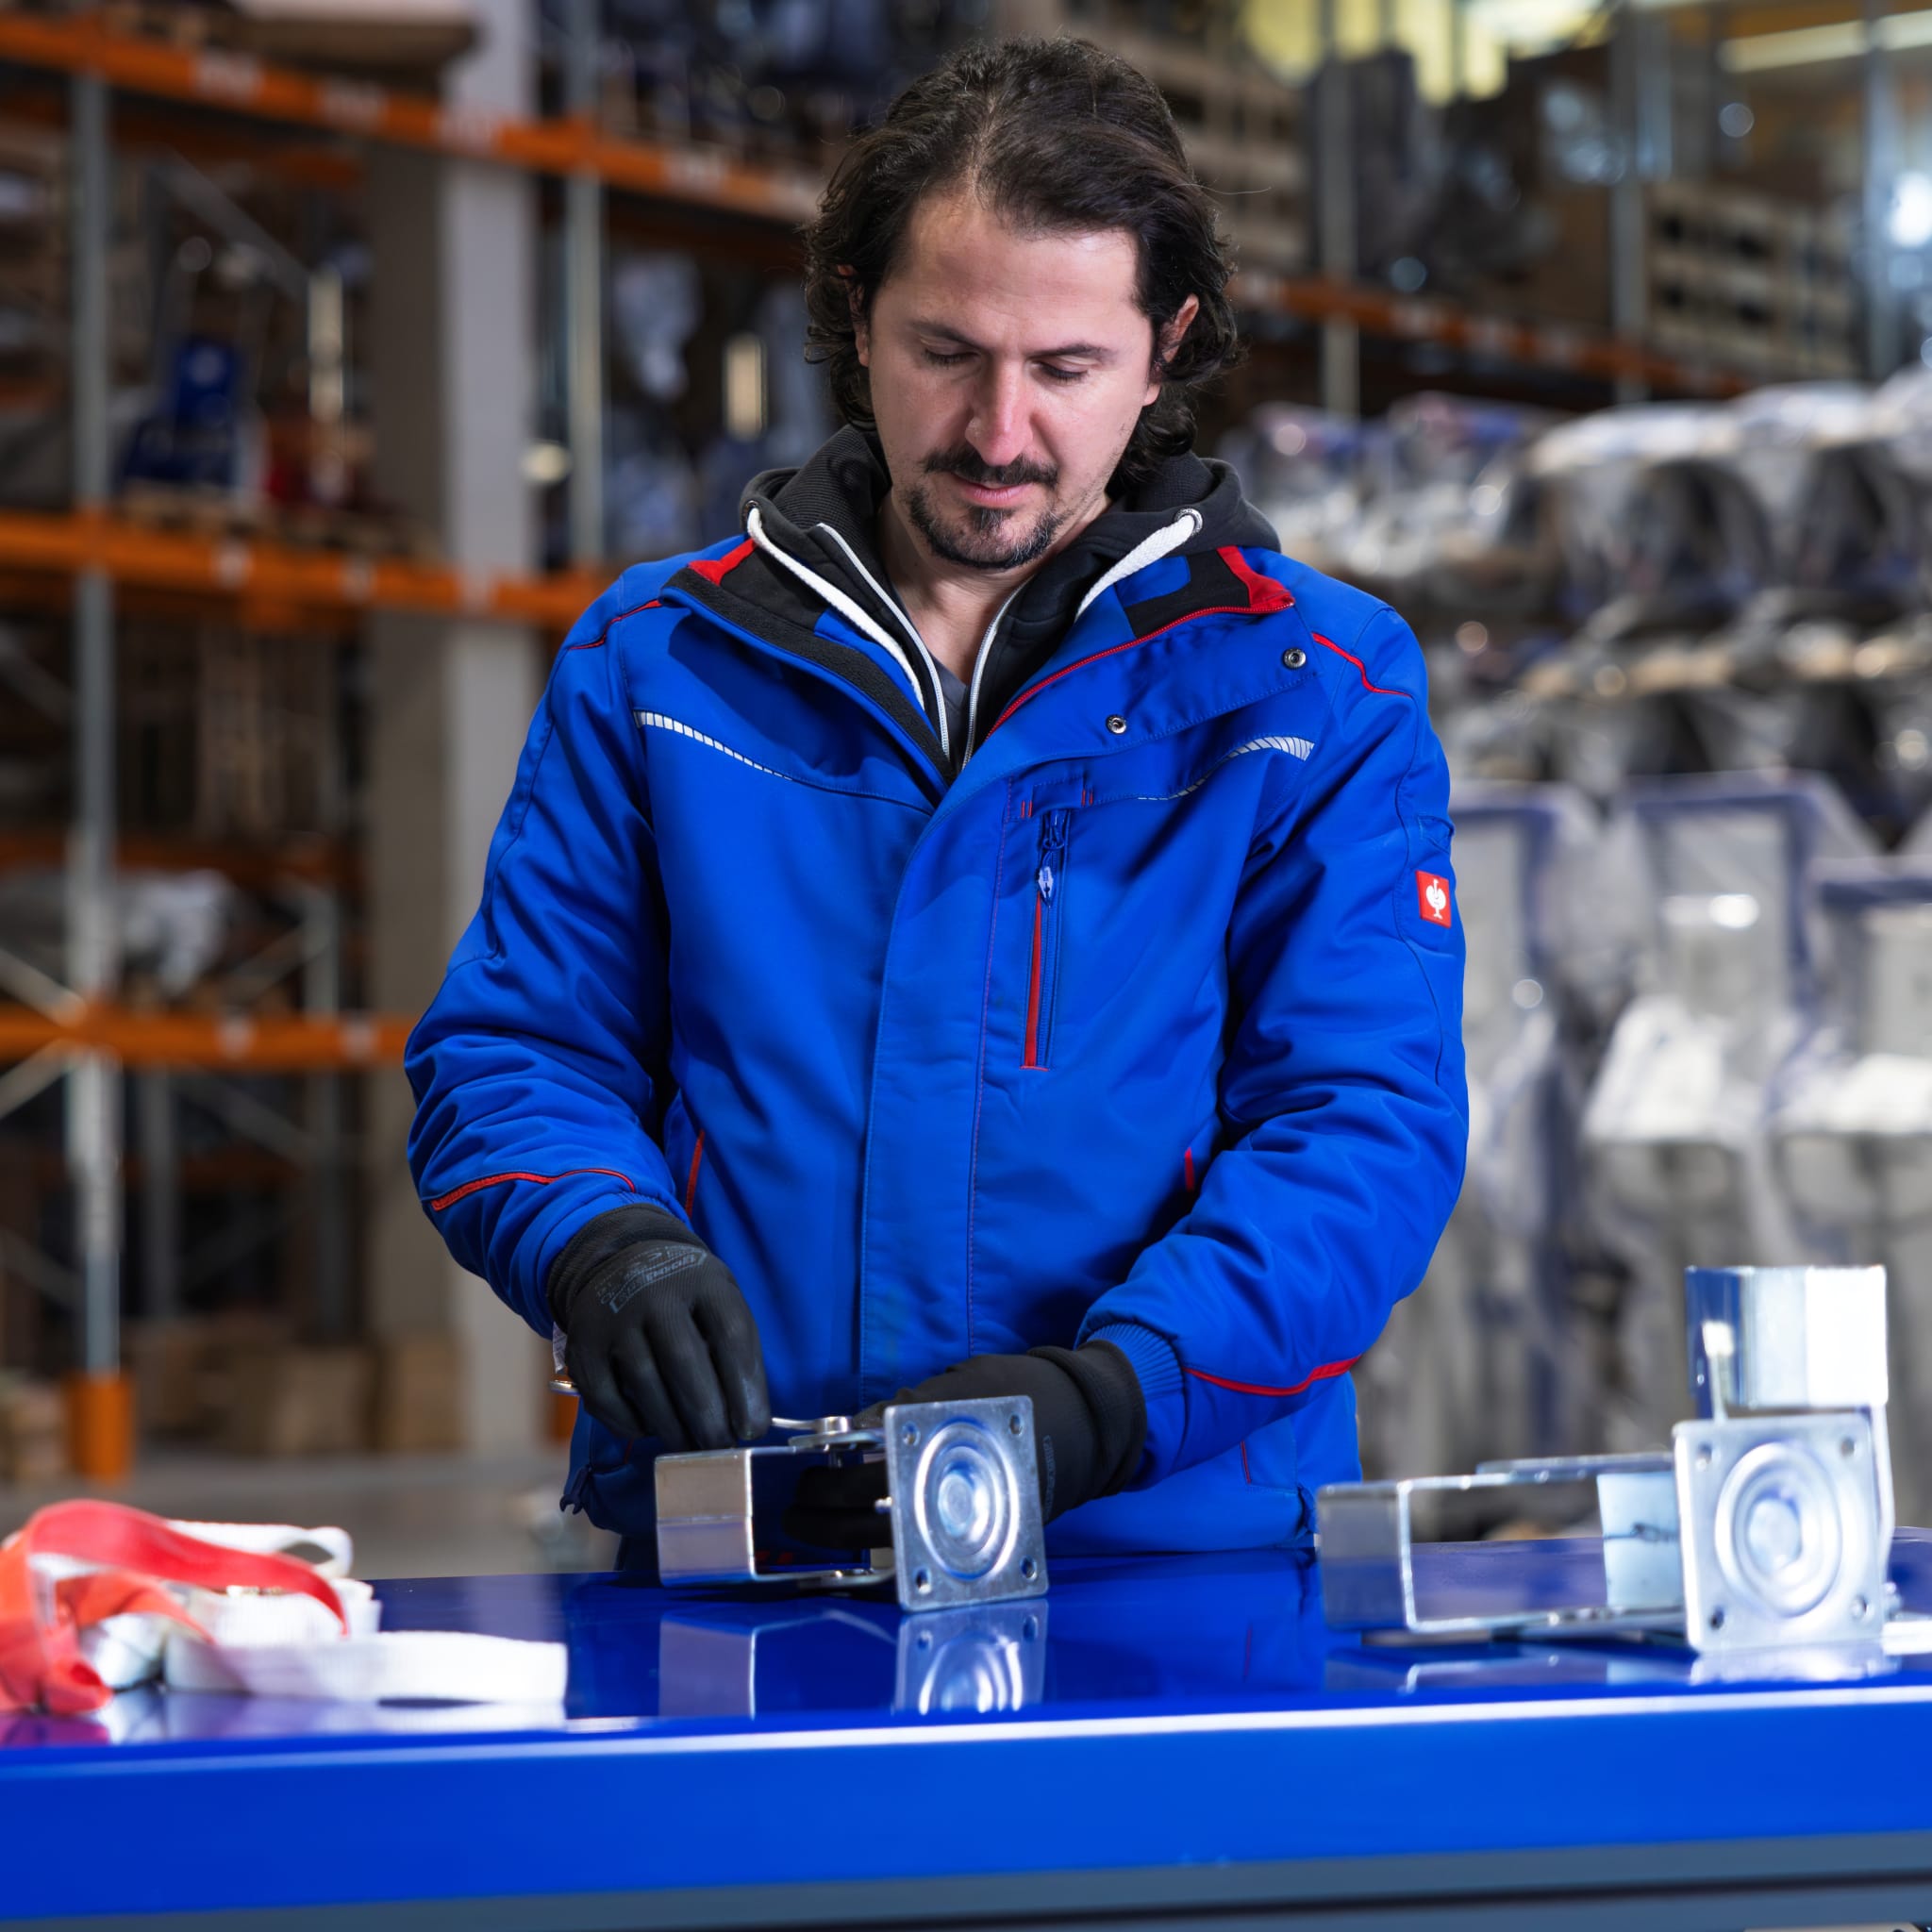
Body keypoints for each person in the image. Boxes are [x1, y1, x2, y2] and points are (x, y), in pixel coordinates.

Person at [406, 36, 1468, 1562]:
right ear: (854, 318)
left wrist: (1114, 1398)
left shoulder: (1315, 690)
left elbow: (1361, 1122)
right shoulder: (661, 666)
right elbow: (516, 1049)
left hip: (1156, 1551)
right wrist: (601, 1245)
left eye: (1065, 369)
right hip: (742, 1527)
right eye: (946, 352)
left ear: (1164, 349)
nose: (997, 434)